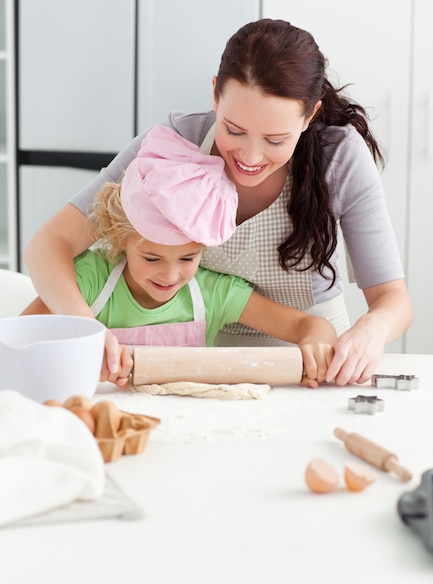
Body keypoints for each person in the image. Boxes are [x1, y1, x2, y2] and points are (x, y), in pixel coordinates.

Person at [24, 18, 412, 386]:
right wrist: (84, 327)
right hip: (208, 357)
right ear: (215, 93)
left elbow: (392, 299)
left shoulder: (339, 157)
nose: (251, 156)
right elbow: (49, 244)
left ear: (310, 115)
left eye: (275, 140)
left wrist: (372, 330)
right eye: (234, 129)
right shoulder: (171, 147)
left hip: (311, 355)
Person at [23, 125, 336, 388]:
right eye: (152, 258)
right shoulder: (91, 280)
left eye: (187, 259)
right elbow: (19, 340)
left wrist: (316, 345)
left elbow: (308, 326)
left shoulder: (213, 293)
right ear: (120, 236)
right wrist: (81, 342)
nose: (170, 275)